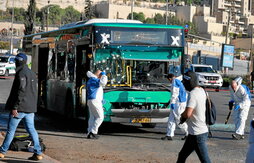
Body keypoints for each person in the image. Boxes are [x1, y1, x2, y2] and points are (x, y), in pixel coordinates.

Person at [0, 53, 43, 161]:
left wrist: (15, 107)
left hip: (20, 108)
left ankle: (2, 152)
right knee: (32, 130)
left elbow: (21, 91)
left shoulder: (21, 73)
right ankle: (38, 153)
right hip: (30, 108)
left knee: (11, 130)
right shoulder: (32, 73)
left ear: (17, 62)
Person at [177, 72, 211, 163]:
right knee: (182, 155)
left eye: (184, 82)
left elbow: (188, 113)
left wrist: (182, 116)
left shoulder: (193, 94)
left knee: (205, 160)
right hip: (194, 133)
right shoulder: (202, 90)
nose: (183, 84)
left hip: (198, 133)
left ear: (189, 81)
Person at [161, 74, 188, 141]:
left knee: (178, 119)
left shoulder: (175, 81)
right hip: (179, 102)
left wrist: (172, 103)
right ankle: (169, 134)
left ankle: (188, 133)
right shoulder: (179, 81)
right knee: (171, 119)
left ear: (170, 78)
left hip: (178, 103)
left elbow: (174, 93)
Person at [86, 70, 108, 139]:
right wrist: (104, 75)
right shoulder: (94, 80)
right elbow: (104, 83)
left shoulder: (91, 80)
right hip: (95, 101)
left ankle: (89, 132)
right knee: (100, 117)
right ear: (98, 75)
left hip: (90, 100)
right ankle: (93, 132)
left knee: (92, 117)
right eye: (100, 75)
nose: (101, 76)